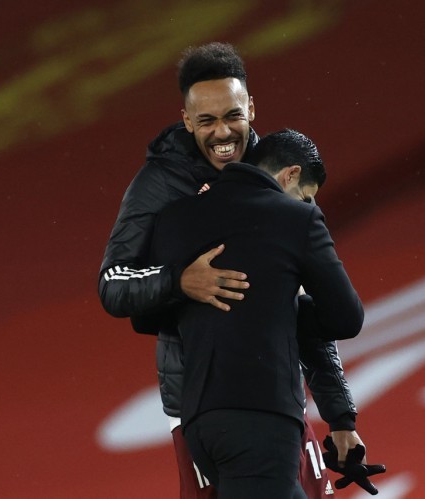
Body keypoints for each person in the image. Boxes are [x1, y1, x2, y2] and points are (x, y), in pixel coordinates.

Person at [98, 42, 369, 497]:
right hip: (199, 404)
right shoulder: (159, 185)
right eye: (207, 120)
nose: (223, 132)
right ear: (187, 121)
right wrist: (179, 281)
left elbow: (303, 303)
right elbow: (113, 283)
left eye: (233, 116)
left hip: (274, 397)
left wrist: (339, 415)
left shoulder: (275, 170)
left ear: (251, 110)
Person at [149, 129, 364, 498]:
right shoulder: (294, 220)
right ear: (290, 175)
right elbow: (346, 317)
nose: (308, 205)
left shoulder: (174, 217)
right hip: (260, 414)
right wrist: (284, 310)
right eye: (306, 196)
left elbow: (144, 314)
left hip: (198, 418)